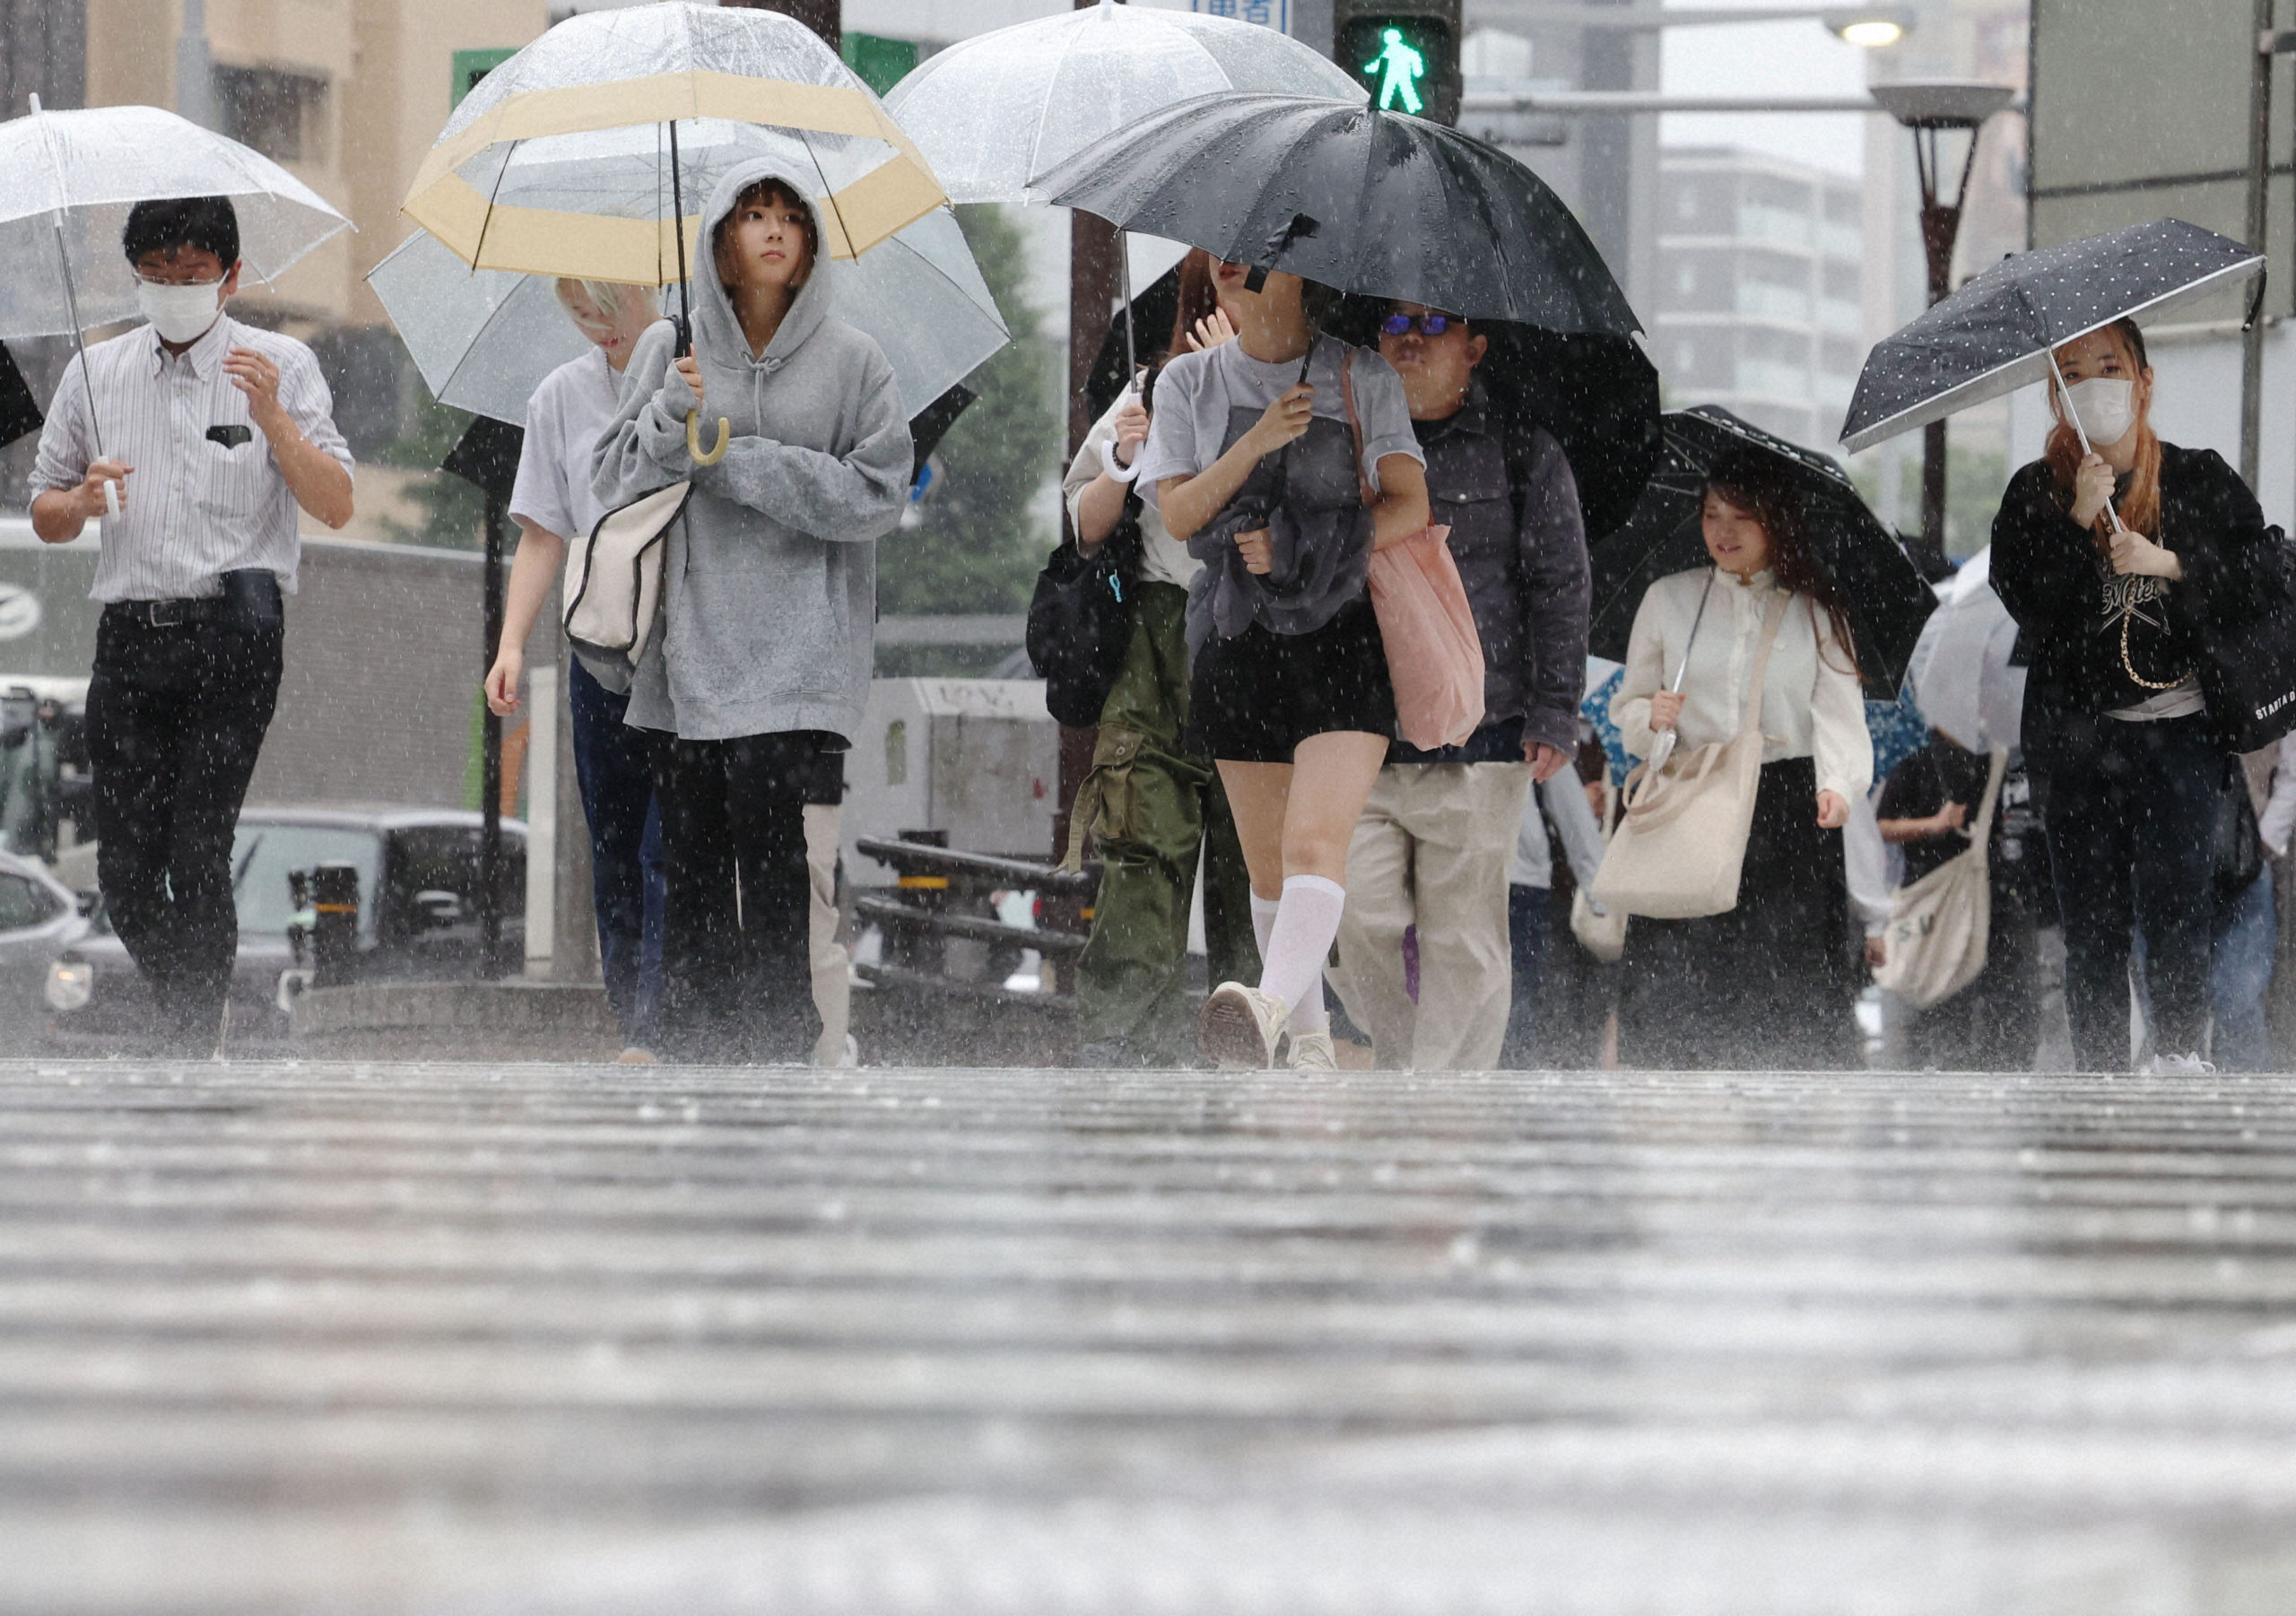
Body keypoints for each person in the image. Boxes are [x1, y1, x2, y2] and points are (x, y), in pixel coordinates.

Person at [592, 164, 911, 1064]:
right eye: (753, 216)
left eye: (790, 217)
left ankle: (777, 1032)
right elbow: (611, 480)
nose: (774, 231)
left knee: (769, 843)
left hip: (799, 649)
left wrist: (739, 461)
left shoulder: (856, 360)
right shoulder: (671, 348)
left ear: (810, 241)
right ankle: (696, 1036)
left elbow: (878, 494)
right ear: (720, 244)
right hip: (685, 641)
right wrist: (668, 417)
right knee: (690, 849)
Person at [29, 195, 354, 1054]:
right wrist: (81, 498)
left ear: (231, 277)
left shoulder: (279, 362)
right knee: (127, 874)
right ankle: (195, 1017)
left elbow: (336, 502)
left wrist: (274, 417)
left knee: (198, 849)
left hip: (236, 633)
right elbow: (45, 513)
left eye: (193, 275)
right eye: (158, 276)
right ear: (134, 277)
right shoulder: (94, 374)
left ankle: (189, 1043)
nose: (175, 290)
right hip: (132, 634)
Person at [1135, 261, 1431, 1071]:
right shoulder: (1187, 383)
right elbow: (1180, 511)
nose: (1235, 260)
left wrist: (1311, 546)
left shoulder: (1359, 373)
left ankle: (1268, 1006)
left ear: (1306, 270)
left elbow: (1411, 504)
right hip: (1239, 635)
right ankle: (1308, 1045)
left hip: (1343, 640)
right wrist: (1259, 439)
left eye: (1261, 248)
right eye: (1224, 247)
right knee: (1268, 869)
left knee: (1311, 846)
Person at [1989, 317, 2270, 1073]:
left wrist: (2172, 562)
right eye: (2073, 373)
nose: (2095, 387)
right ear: (2055, 395)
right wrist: (2078, 515)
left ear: (2144, 380)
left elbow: (2265, 576)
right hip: (2079, 743)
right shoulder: (2032, 493)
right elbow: (2028, 604)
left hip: (2179, 736)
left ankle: (2179, 1062)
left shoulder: (2199, 476)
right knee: (2092, 931)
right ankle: (2101, 1074)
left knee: (2178, 914)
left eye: (2110, 366)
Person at [1328, 300, 1590, 1071]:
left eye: (1433, 324)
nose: (1409, 337)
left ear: (1475, 348)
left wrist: (1554, 710)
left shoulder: (1522, 451)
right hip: (1361, 728)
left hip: (1486, 730)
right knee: (1358, 914)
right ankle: (1406, 1063)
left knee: (1464, 938)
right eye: (1394, 322)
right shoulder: (1339, 445)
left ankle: (1447, 1105)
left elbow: (1561, 584)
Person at [1612, 452, 1872, 1069]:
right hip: (1690, 793)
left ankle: (1778, 1115)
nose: (1722, 532)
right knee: (1680, 970)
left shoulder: (1815, 609)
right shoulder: (1669, 599)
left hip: (1785, 806)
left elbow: (1838, 711)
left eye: (1742, 518)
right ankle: (1677, 1113)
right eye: (1711, 515)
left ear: (1776, 522)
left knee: (1785, 971)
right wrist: (1651, 720)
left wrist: (1839, 785)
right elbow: (1629, 708)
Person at [1062, 250, 1255, 1067]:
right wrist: (1131, 451)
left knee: (1255, 852)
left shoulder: (1306, 389)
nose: (1237, 288)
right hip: (1158, 633)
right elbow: (1085, 522)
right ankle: (1121, 1033)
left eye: (1259, 276)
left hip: (1256, 629)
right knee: (1144, 838)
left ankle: (1255, 1031)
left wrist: (1243, 385)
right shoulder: (1149, 387)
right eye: (1225, 274)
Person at [485, 279, 668, 1063]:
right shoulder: (560, 395)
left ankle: (665, 1019)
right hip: (600, 644)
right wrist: (512, 643)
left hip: (690, 643)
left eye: (606, 300)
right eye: (575, 306)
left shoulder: (701, 373)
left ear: (651, 285)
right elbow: (542, 533)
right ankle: (635, 1018)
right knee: (616, 841)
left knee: (672, 842)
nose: (594, 321)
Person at [1874, 734, 2042, 1069]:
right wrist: (1934, 825)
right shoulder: (1918, 761)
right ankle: (1943, 1060)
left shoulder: (1995, 761)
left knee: (1989, 988)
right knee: (1936, 979)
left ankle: (1985, 1063)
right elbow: (1883, 824)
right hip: (1935, 892)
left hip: (1990, 893)